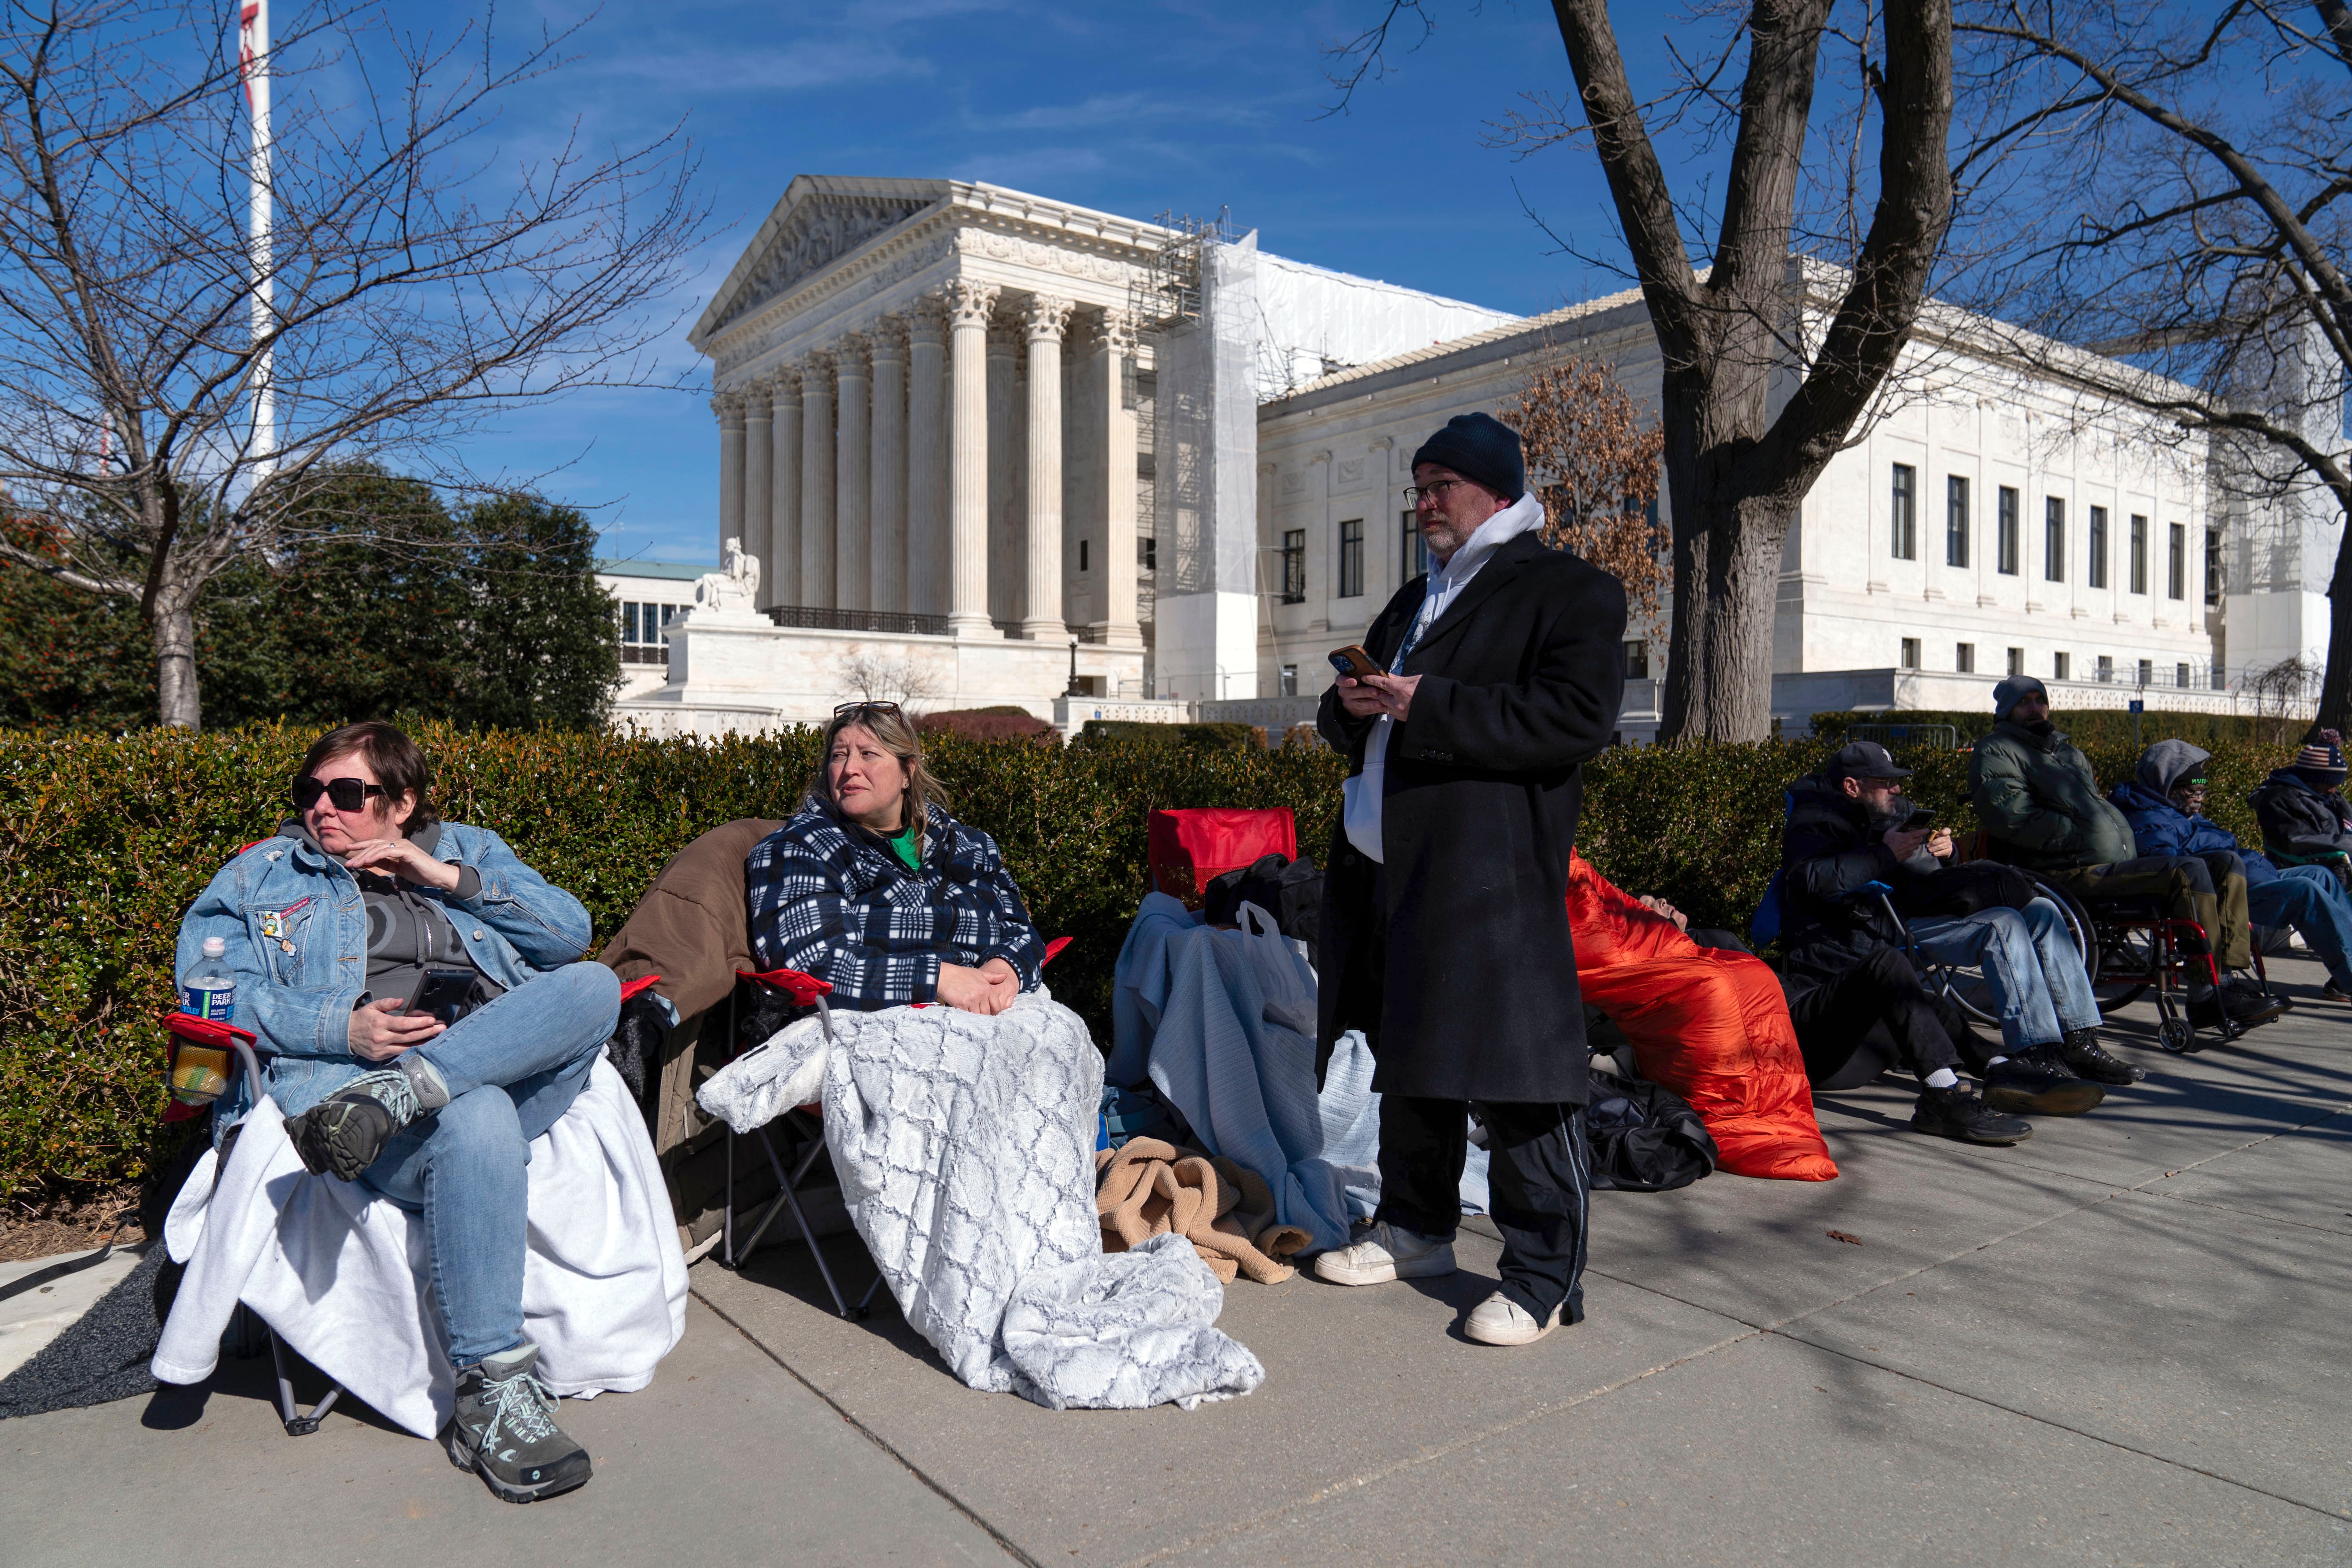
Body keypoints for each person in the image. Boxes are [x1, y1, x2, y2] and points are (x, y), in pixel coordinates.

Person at [178, 721, 620, 1504]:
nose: (323, 808)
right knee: (476, 1113)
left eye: (347, 793)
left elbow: (567, 934)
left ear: (402, 801)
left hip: (488, 1067)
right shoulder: (264, 876)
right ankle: (491, 1392)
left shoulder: (469, 848)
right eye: (310, 792)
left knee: (593, 984)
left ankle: (417, 1083)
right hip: (353, 1102)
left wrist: (443, 874)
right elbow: (211, 992)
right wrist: (339, 1026)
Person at [1310, 411, 1626, 1348]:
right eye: (1419, 485)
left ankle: (1542, 1274)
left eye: (1440, 484)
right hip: (1388, 871)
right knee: (1412, 1060)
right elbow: (1355, 722)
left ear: (1493, 489)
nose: (1424, 502)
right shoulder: (1416, 598)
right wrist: (1352, 703)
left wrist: (1424, 702)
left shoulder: (1567, 590)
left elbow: (1574, 719)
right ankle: (1414, 1226)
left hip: (1488, 876)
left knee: (1519, 1076)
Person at [1779, 743, 2112, 1148]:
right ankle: (1943, 1094)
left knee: (1931, 1005)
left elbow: (1927, 878)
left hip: (1879, 978)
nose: (1897, 791)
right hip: (1839, 999)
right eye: (1887, 783)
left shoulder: (1892, 813)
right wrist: (1885, 853)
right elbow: (1810, 881)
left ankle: (2006, 1068)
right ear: (1852, 786)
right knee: (1902, 971)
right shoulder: (1815, 821)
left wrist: (1946, 853)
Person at [1971, 675, 2282, 1031]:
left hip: (2108, 862)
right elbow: (2011, 816)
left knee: (2227, 864)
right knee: (2187, 870)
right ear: (2007, 710)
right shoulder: (1996, 750)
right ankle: (2204, 993)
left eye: (2039, 699)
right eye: (2024, 702)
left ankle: (2225, 978)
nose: (2035, 708)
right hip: (2063, 871)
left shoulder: (2067, 752)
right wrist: (2081, 835)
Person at [746, 701, 1044, 1012]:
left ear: (908, 772)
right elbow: (813, 965)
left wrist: (1005, 969)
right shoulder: (803, 846)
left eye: (868, 753)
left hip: (996, 1004)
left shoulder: (968, 845)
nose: (849, 768)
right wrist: (938, 978)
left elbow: (1021, 930)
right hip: (872, 1022)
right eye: (839, 755)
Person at [2116, 739, 2352, 1004]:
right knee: (2307, 893)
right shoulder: (2150, 818)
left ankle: (2345, 975)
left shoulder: (2180, 812)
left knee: (2322, 876)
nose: (2199, 800)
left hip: (2254, 876)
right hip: (2228, 891)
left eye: (2203, 792)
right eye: (2193, 791)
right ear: (2168, 786)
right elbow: (2170, 869)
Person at [2249, 731, 2352, 888]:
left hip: (2338, 859)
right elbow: (2297, 841)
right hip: (2313, 866)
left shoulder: (2329, 794)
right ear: (2313, 778)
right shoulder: (2279, 799)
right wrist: (2347, 844)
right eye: (2330, 783)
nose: (2334, 789)